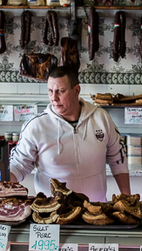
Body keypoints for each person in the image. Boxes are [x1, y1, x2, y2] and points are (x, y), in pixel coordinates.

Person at [10, 66, 130, 202]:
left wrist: (127, 199)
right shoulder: (36, 126)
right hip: (52, 212)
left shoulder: (101, 118)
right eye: (50, 91)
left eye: (61, 91)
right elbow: (19, 165)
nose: (54, 98)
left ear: (76, 90)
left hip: (95, 211)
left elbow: (118, 160)